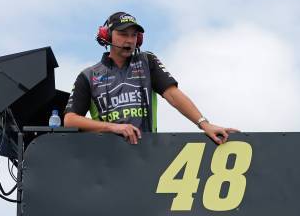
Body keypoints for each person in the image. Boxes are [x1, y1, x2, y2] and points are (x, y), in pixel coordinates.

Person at [64, 11, 237, 145]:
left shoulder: (147, 61)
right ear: (107, 36)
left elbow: (173, 95)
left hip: (147, 153)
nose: (130, 40)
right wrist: (112, 127)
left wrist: (204, 124)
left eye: (134, 35)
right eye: (123, 34)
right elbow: (70, 120)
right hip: (107, 157)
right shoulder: (88, 75)